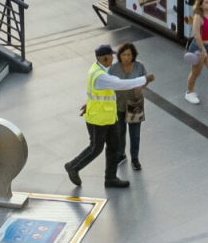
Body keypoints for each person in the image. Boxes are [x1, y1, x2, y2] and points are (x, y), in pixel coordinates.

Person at [63, 43, 150, 189]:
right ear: (104, 58)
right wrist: (145, 79)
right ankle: (73, 166)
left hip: (108, 117)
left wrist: (88, 103)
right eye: (111, 55)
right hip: (98, 119)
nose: (114, 57)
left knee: (113, 147)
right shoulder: (100, 75)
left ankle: (110, 178)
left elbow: (97, 94)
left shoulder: (99, 69)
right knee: (95, 148)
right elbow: (121, 84)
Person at [112, 43, 148, 176]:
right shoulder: (114, 68)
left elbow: (145, 80)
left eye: (129, 55)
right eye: (123, 55)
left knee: (135, 134)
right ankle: (121, 155)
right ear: (119, 56)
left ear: (133, 55)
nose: (126, 57)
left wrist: (141, 86)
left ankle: (135, 158)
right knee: (120, 132)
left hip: (135, 103)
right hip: (119, 104)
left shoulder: (139, 66)